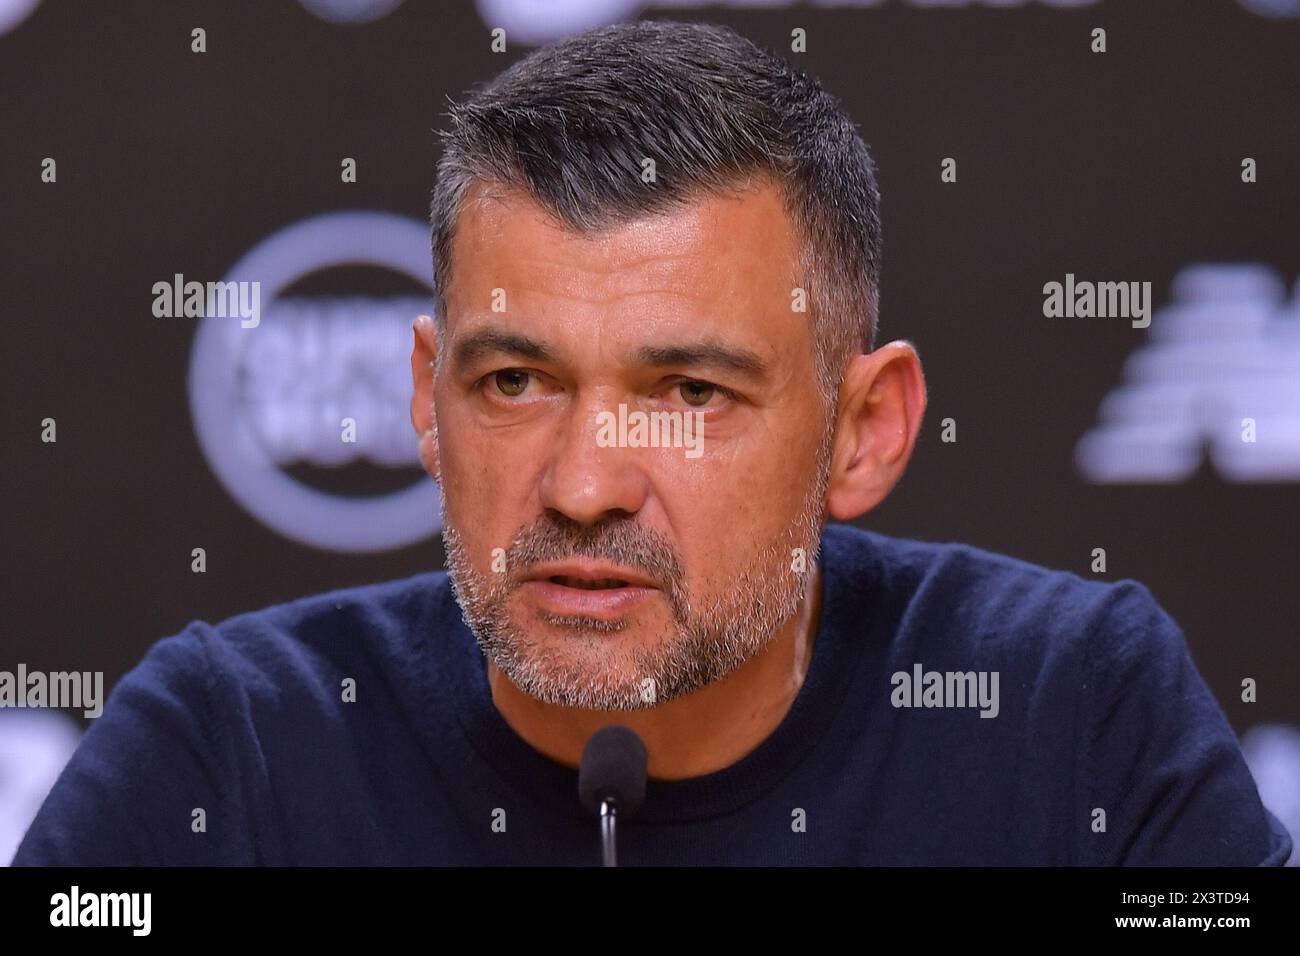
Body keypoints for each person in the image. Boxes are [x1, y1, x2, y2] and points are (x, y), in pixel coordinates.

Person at [14, 19, 1290, 866]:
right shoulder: (226, 747)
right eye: (514, 380)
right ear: (423, 398)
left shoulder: (1075, 713)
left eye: (686, 392)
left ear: (864, 431)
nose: (580, 485)